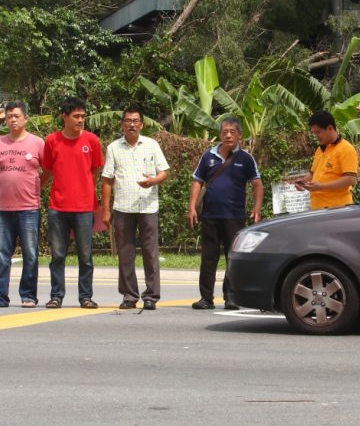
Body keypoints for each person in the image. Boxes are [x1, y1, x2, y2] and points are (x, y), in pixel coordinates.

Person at [187, 116, 263, 310]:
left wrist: (257, 208)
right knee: (208, 257)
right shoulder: (208, 156)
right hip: (210, 215)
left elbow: (257, 184)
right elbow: (198, 181)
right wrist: (192, 206)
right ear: (220, 134)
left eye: (232, 132)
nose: (228, 135)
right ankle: (206, 298)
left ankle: (230, 297)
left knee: (232, 258)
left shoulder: (246, 158)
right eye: (224, 132)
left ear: (239, 135)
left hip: (234, 216)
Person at [101, 105, 170, 310]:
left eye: (135, 121)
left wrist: (153, 181)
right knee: (125, 253)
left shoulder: (151, 145)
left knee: (150, 252)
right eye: (128, 121)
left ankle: (151, 296)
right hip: (123, 207)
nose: (131, 124)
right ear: (122, 124)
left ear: (141, 124)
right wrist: (105, 210)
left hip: (148, 206)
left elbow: (164, 171)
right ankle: (129, 295)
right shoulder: (113, 147)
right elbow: (107, 180)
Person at [42, 97, 104, 309]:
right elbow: (48, 170)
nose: (80, 120)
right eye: (76, 116)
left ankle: (85, 297)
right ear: (64, 117)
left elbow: (95, 170)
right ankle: (56, 295)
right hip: (57, 207)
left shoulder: (92, 141)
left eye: (83, 116)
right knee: (57, 255)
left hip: (84, 208)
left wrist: (84, 190)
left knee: (85, 257)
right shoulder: (52, 141)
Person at [0, 101, 45, 308]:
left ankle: (28, 295)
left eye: (17, 116)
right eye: (9, 116)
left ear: (25, 118)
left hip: (29, 208)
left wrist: (34, 186)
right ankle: (0, 297)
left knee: (30, 254)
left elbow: (48, 170)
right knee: (3, 255)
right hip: (4, 210)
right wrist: (4, 184)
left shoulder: (37, 143)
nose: (13, 119)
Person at [293, 110, 359, 210]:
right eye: (314, 133)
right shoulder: (319, 150)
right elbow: (312, 174)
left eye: (318, 132)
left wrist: (321, 187)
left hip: (337, 209)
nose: (316, 136)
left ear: (330, 128)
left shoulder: (346, 149)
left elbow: (351, 179)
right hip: (317, 209)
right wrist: (302, 182)